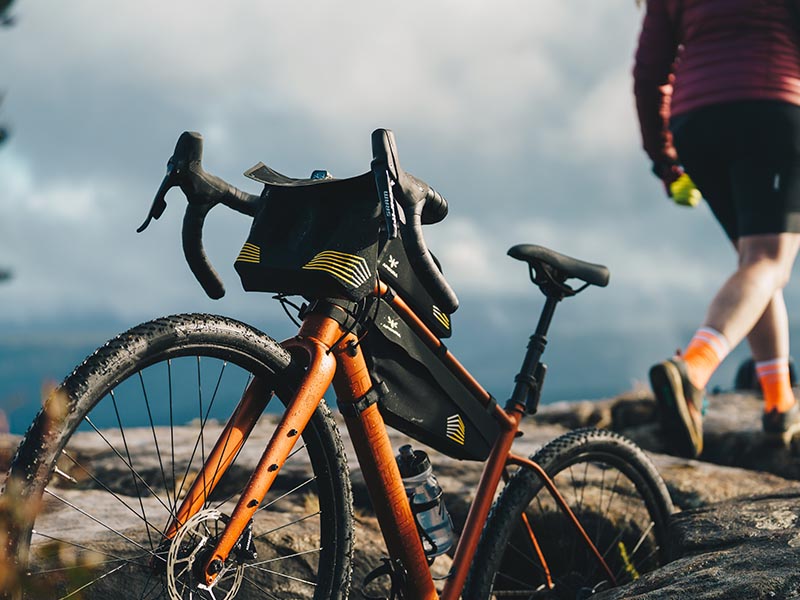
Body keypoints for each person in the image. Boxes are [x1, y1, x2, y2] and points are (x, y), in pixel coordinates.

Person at [633, 0, 800, 458]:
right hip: (772, 106)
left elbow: (649, 75)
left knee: (756, 263)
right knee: (769, 261)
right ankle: (693, 372)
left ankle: (778, 402)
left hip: (697, 121)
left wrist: (664, 160)